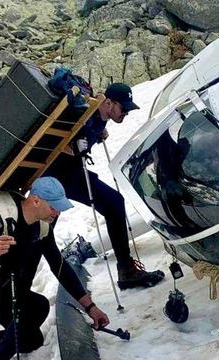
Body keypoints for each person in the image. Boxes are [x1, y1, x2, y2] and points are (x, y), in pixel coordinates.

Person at [0, 177, 109, 360]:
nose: (57, 213)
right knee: (27, 325)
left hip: (6, 288)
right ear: (36, 200)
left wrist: (91, 307)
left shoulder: (42, 227)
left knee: (33, 331)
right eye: (54, 207)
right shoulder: (0, 221)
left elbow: (59, 266)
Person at [44, 83, 165, 290]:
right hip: (54, 177)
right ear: (108, 102)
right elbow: (52, 139)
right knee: (42, 233)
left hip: (73, 173)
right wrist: (72, 146)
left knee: (113, 202)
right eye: (123, 108)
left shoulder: (100, 118)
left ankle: (126, 271)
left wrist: (96, 137)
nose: (125, 113)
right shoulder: (82, 112)